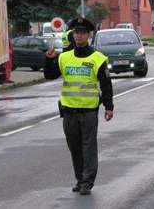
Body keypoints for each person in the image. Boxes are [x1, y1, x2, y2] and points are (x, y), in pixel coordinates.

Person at [44, 18, 114, 195]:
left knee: (88, 147)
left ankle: (87, 182)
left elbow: (106, 84)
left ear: (88, 35)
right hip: (69, 111)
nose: (79, 35)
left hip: (89, 112)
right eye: (76, 32)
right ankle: (80, 178)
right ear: (73, 35)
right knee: (74, 147)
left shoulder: (97, 58)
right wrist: (49, 60)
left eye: (82, 32)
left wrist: (109, 106)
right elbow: (50, 75)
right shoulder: (65, 57)